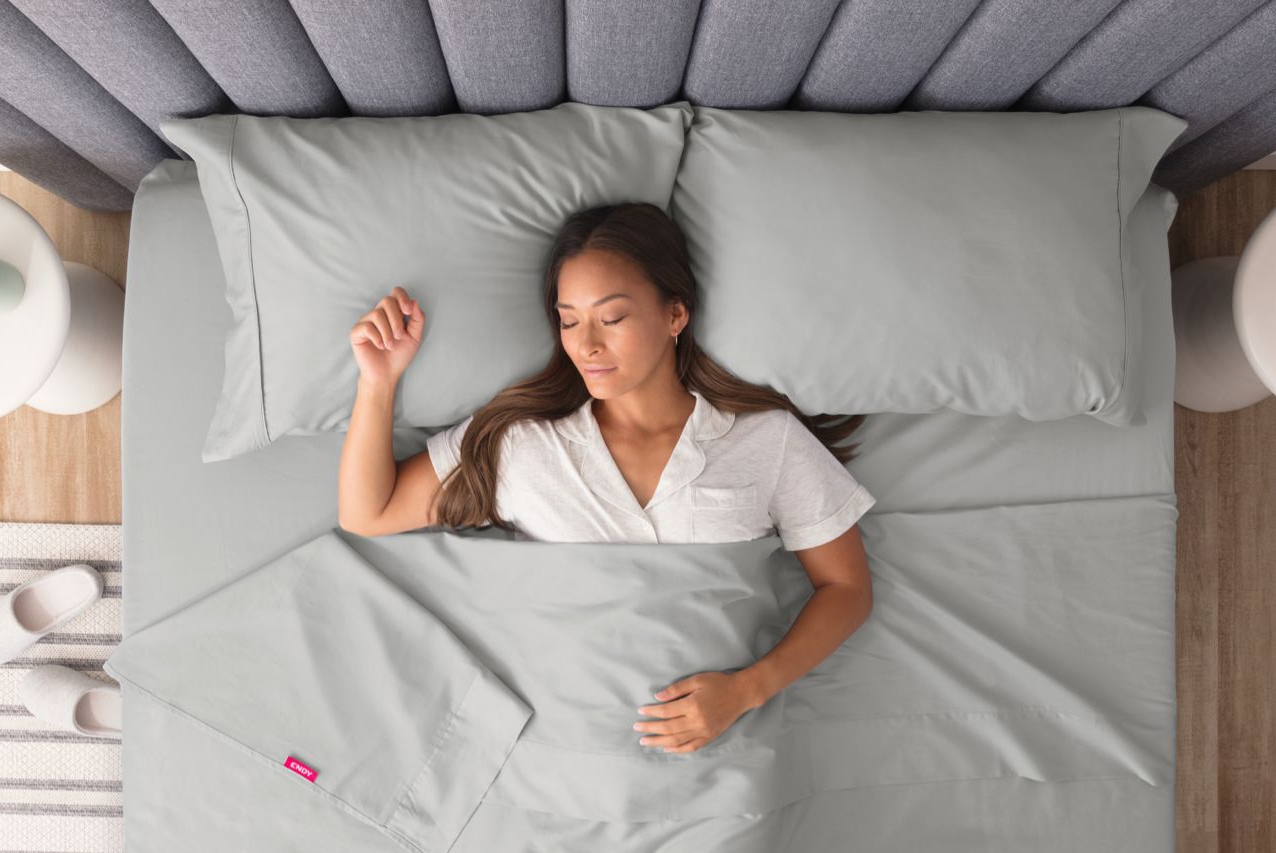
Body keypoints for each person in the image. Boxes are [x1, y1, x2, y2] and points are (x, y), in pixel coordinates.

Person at [337, 202, 875, 754]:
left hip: (725, 746)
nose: (585, 345)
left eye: (611, 319)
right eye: (569, 320)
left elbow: (848, 589)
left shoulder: (766, 439)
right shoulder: (523, 441)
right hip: (562, 741)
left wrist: (746, 690)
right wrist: (378, 383)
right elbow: (368, 513)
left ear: (675, 315)